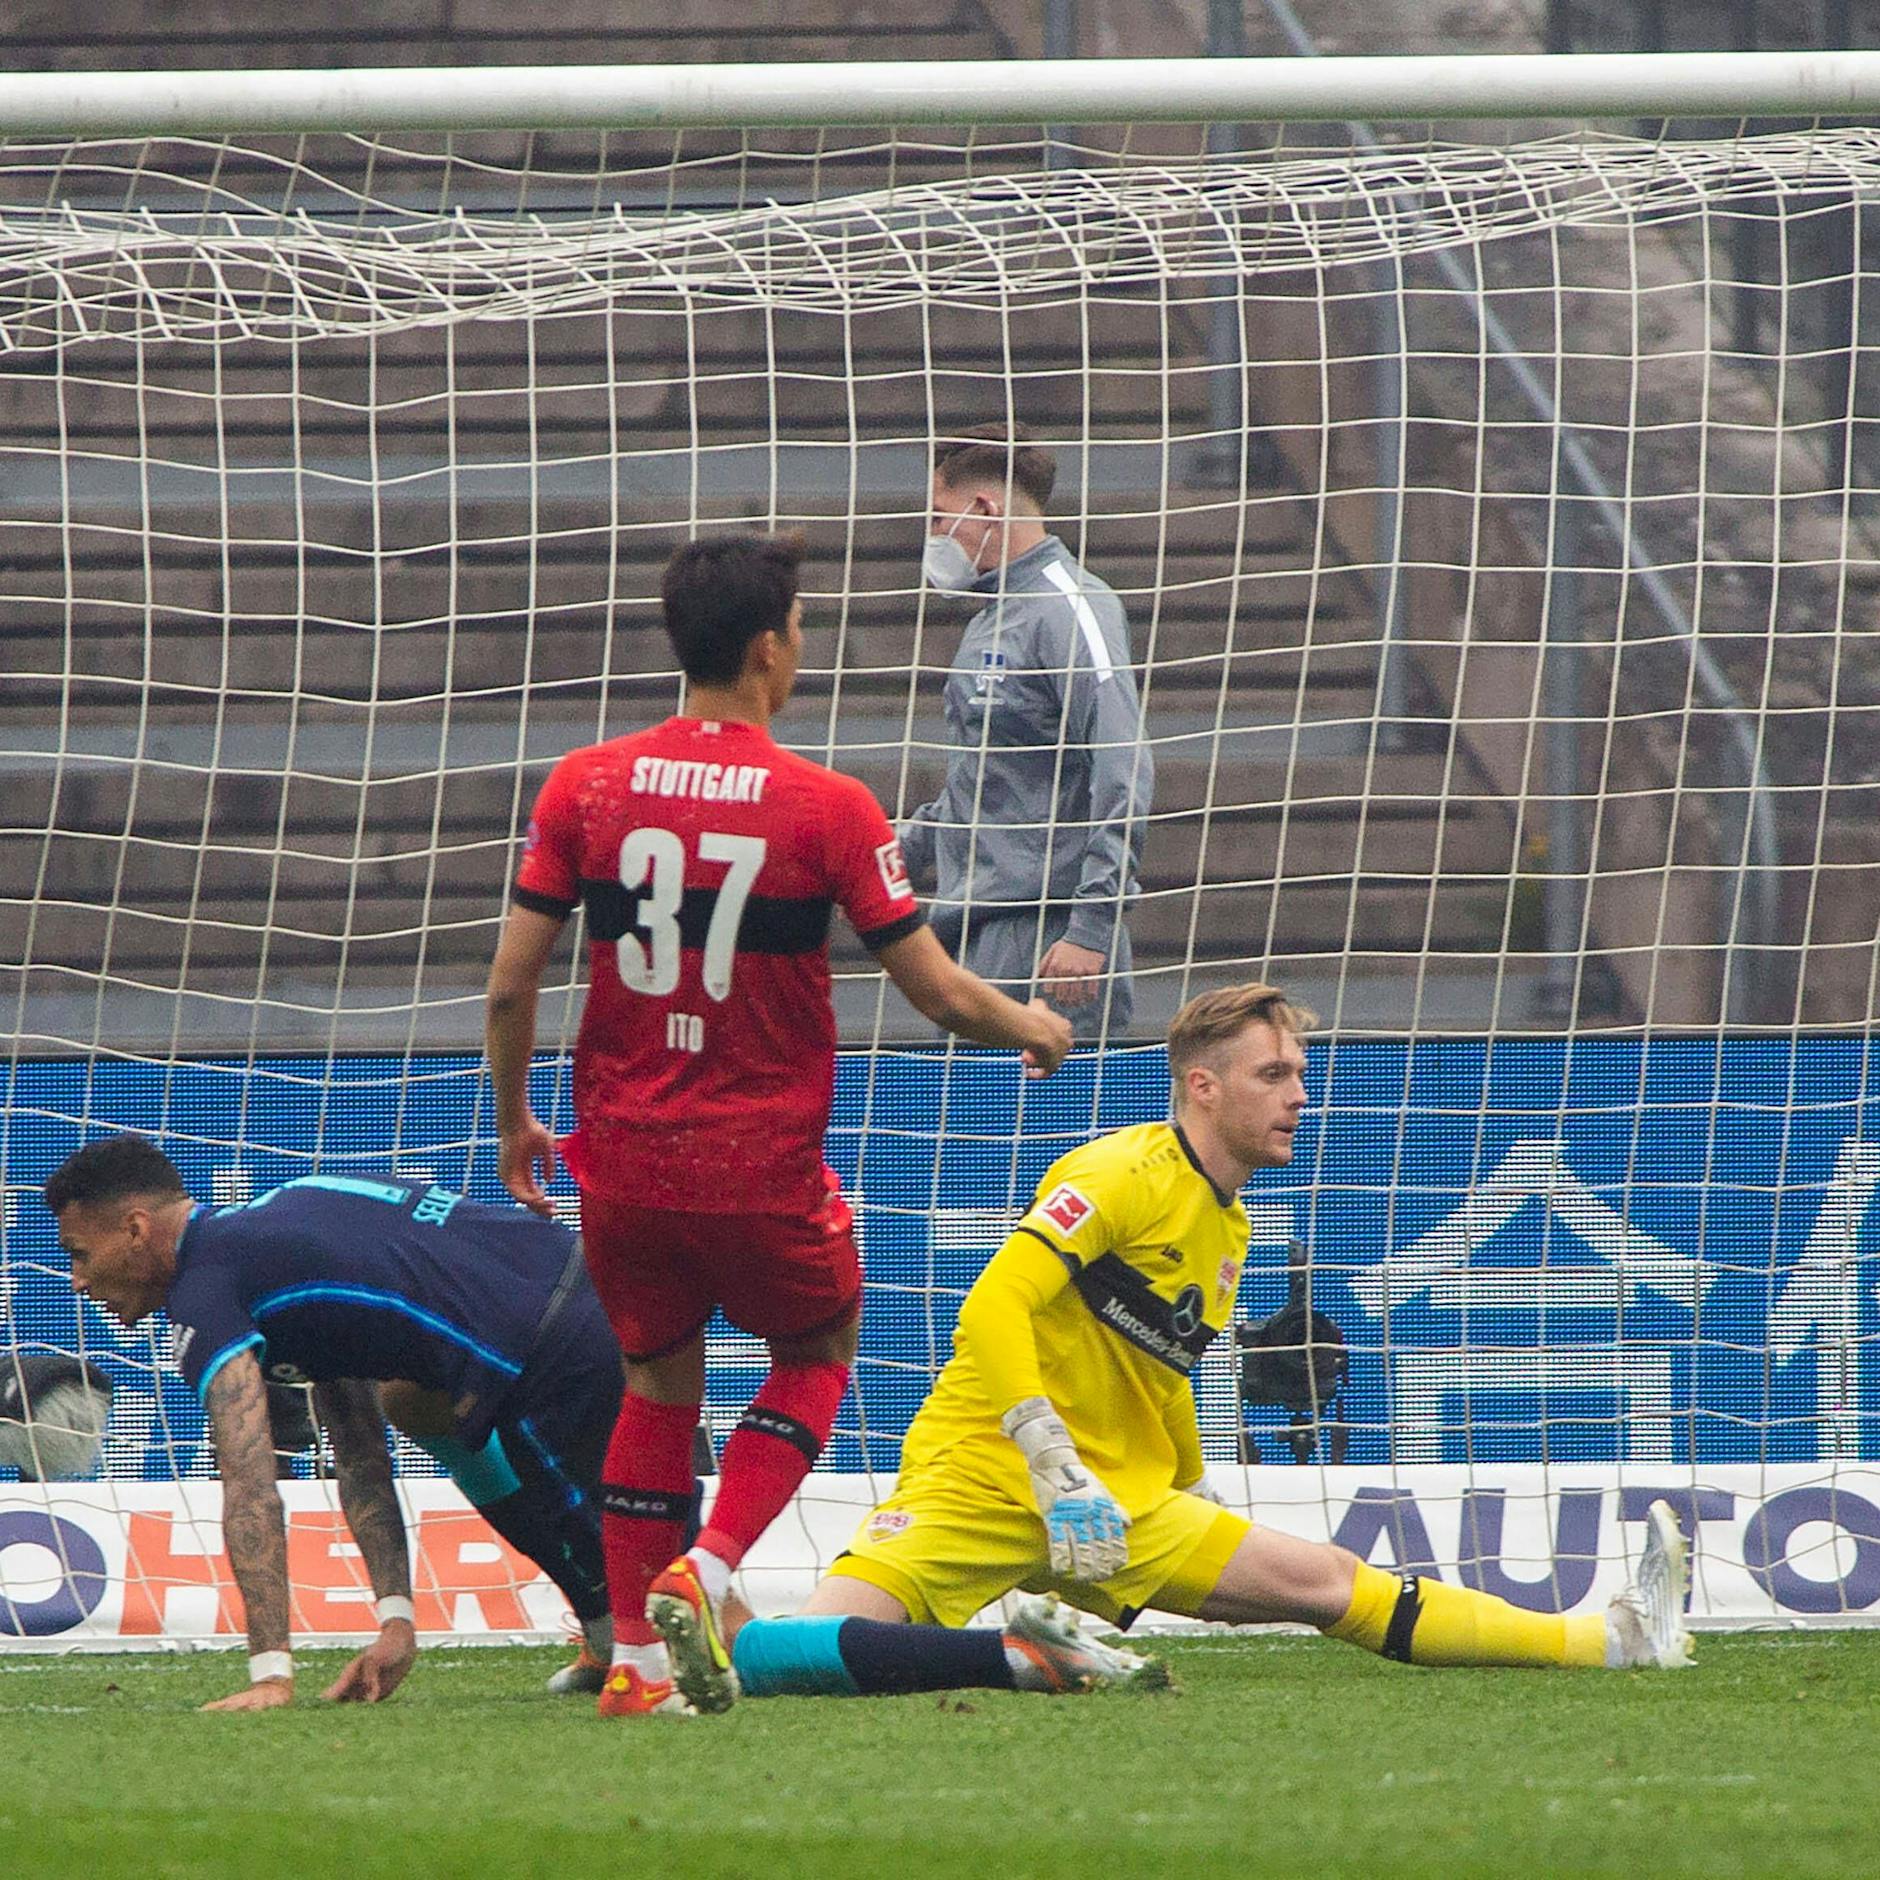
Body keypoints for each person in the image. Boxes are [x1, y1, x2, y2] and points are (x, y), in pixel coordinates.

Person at [486, 530, 1072, 1720]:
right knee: (817, 1348)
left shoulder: (583, 785)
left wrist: (512, 1122)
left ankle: (635, 1667)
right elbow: (937, 992)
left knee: (656, 1382)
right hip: (758, 1162)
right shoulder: (828, 807)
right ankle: (705, 1569)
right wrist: (1035, 1024)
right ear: (767, 646)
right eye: (798, 628)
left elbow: (509, 984)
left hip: (624, 1159)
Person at [725, 983, 1693, 1702]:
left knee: (1327, 1582)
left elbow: (1164, 1369)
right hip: (983, 1476)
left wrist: (1188, 1484)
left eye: (1298, 1074)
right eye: (1273, 1074)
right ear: (1202, 1084)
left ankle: (1610, 1638)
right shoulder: (1118, 1173)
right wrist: (1047, 1454)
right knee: (777, 1655)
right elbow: (990, 1307)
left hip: (1119, 1505)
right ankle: (1012, 1656)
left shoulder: (1228, 1226)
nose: (1298, 1095)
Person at [43, 1133, 655, 1711]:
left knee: (654, 1564)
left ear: (136, 1230)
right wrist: (397, 1623)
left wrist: (271, 1674)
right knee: (411, 1403)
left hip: (554, 1343)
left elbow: (250, 1484)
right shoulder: (280, 1234)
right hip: (584, 1277)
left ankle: (680, 1643)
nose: (78, 1281)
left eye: (79, 1254)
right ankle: (607, 1636)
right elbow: (361, 1453)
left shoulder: (204, 1293)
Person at [903, 422, 1154, 1039]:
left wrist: (1091, 927)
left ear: (984, 509)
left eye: (939, 517)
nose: (933, 534)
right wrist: (880, 856)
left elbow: (1123, 765)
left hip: (1048, 940)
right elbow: (983, 787)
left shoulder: (1073, 607)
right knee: (966, 1105)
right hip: (969, 934)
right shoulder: (989, 619)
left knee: (1057, 1107)